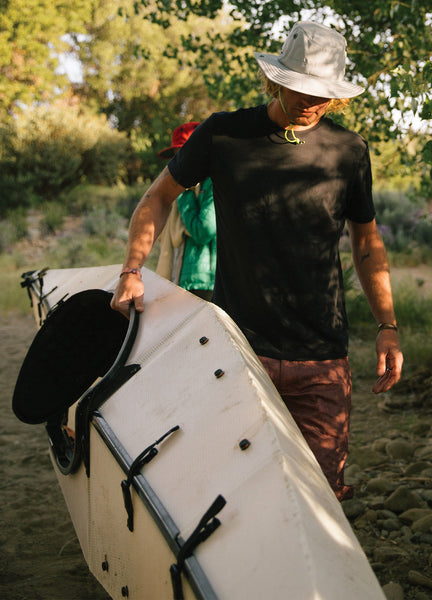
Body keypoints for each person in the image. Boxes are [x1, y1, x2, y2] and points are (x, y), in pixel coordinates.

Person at [111, 21, 403, 501]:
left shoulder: (349, 151)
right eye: (299, 87)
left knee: (321, 495)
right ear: (275, 80)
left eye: (321, 93)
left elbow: (367, 241)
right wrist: (131, 271)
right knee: (232, 491)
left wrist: (386, 325)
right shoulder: (224, 134)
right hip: (239, 350)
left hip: (322, 357)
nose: (310, 100)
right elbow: (157, 197)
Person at [156, 122, 217, 300]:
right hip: (182, 278)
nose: (179, 162)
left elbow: (204, 231)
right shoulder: (178, 186)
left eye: (183, 153)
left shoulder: (211, 183)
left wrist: (185, 195)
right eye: (176, 156)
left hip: (204, 280)